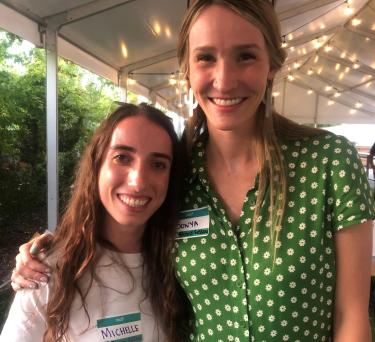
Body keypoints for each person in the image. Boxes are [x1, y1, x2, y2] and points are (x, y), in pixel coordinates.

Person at [9, 0, 375, 341]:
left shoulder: (328, 162)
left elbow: (352, 317)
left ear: (272, 65)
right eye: (206, 58)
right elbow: (122, 215)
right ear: (187, 69)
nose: (225, 79)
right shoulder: (176, 170)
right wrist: (47, 251)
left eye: (245, 56)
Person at [1, 103, 192, 341]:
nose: (139, 182)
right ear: (97, 165)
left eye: (158, 164)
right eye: (122, 157)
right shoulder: (47, 271)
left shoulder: (182, 262)